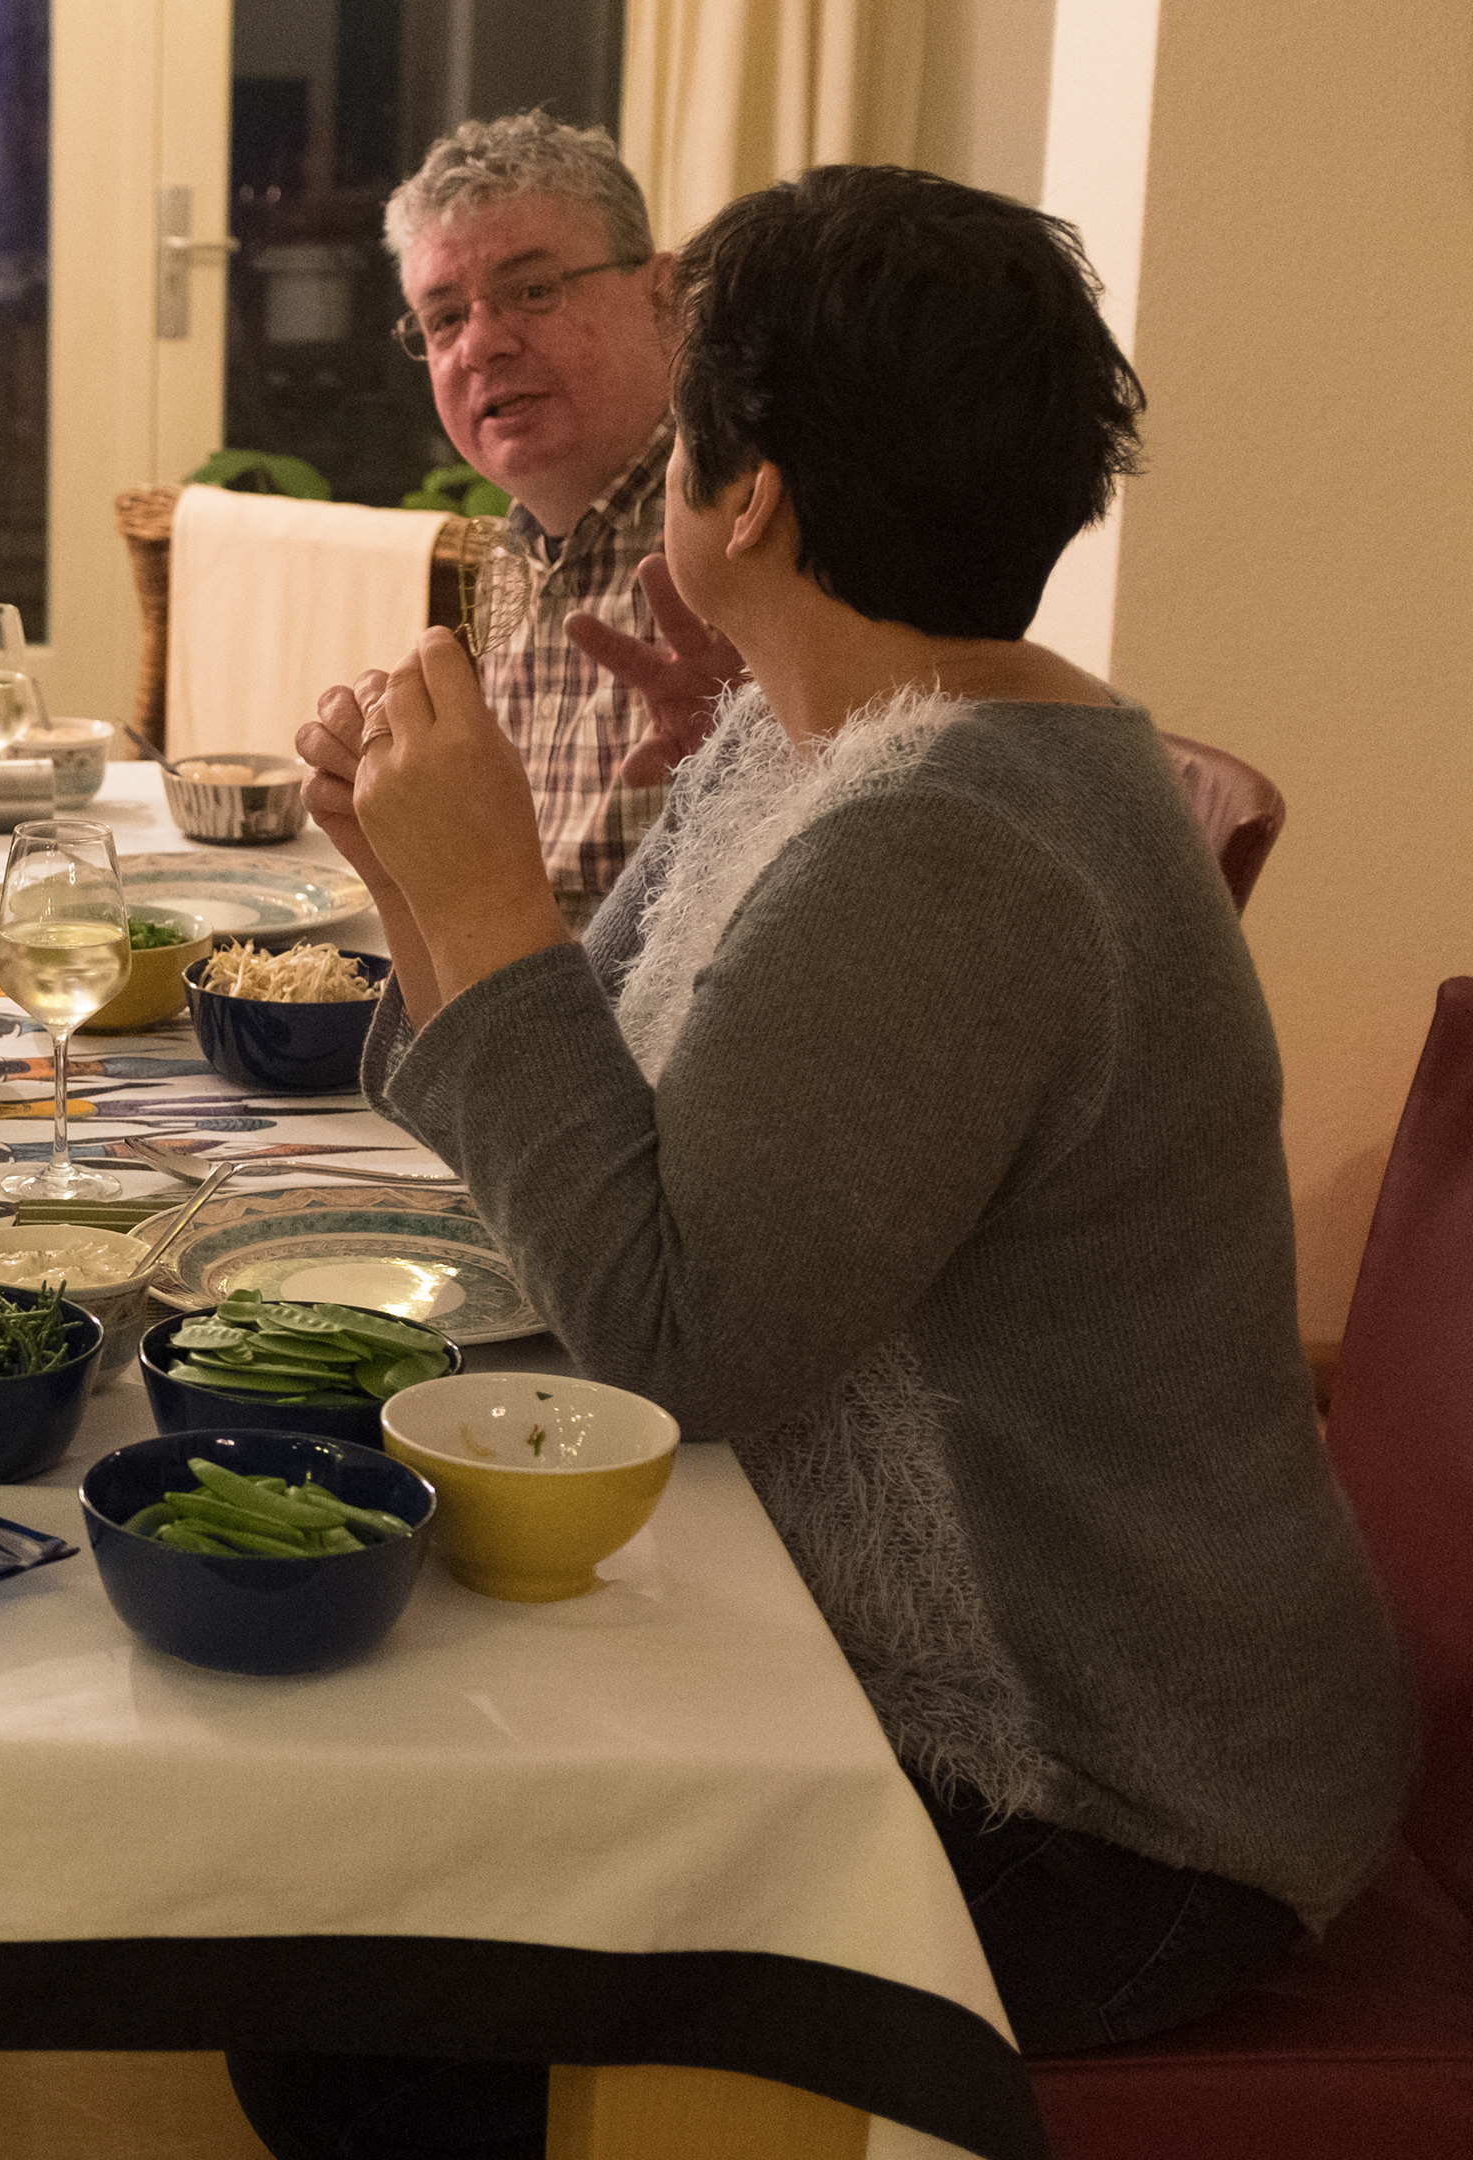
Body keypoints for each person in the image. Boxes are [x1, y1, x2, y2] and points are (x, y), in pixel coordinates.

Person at [238, 168, 1415, 2157]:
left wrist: (491, 897)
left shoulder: (951, 844)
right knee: (370, 1831)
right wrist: (415, 877)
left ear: (753, 495)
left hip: (1108, 1803)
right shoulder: (832, 733)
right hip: (954, 1671)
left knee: (364, 1968)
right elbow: (586, 1120)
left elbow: (673, 1342)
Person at [382, 112, 739, 927]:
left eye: (534, 291)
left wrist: (770, 748)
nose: (479, 346)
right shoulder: (515, 548)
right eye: (444, 318)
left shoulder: (746, 524)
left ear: (664, 296)